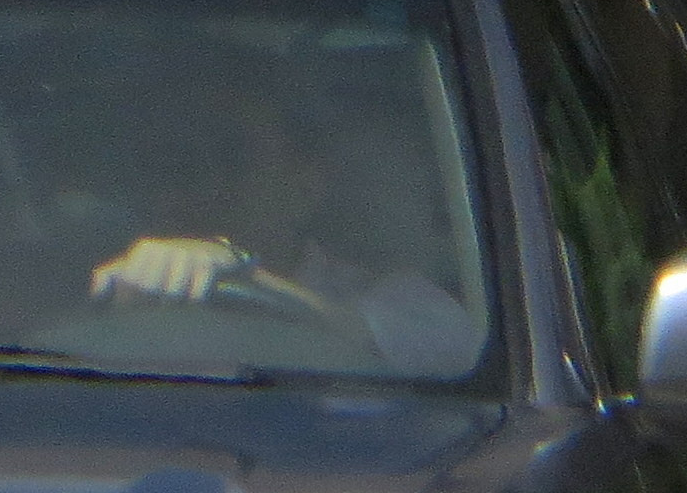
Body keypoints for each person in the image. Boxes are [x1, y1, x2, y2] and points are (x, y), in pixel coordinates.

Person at [93, 76, 482, 376]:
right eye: (179, 163)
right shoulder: (103, 284)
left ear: (303, 189)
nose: (205, 185)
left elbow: (455, 350)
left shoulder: (392, 299)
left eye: (233, 159)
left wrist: (238, 274)